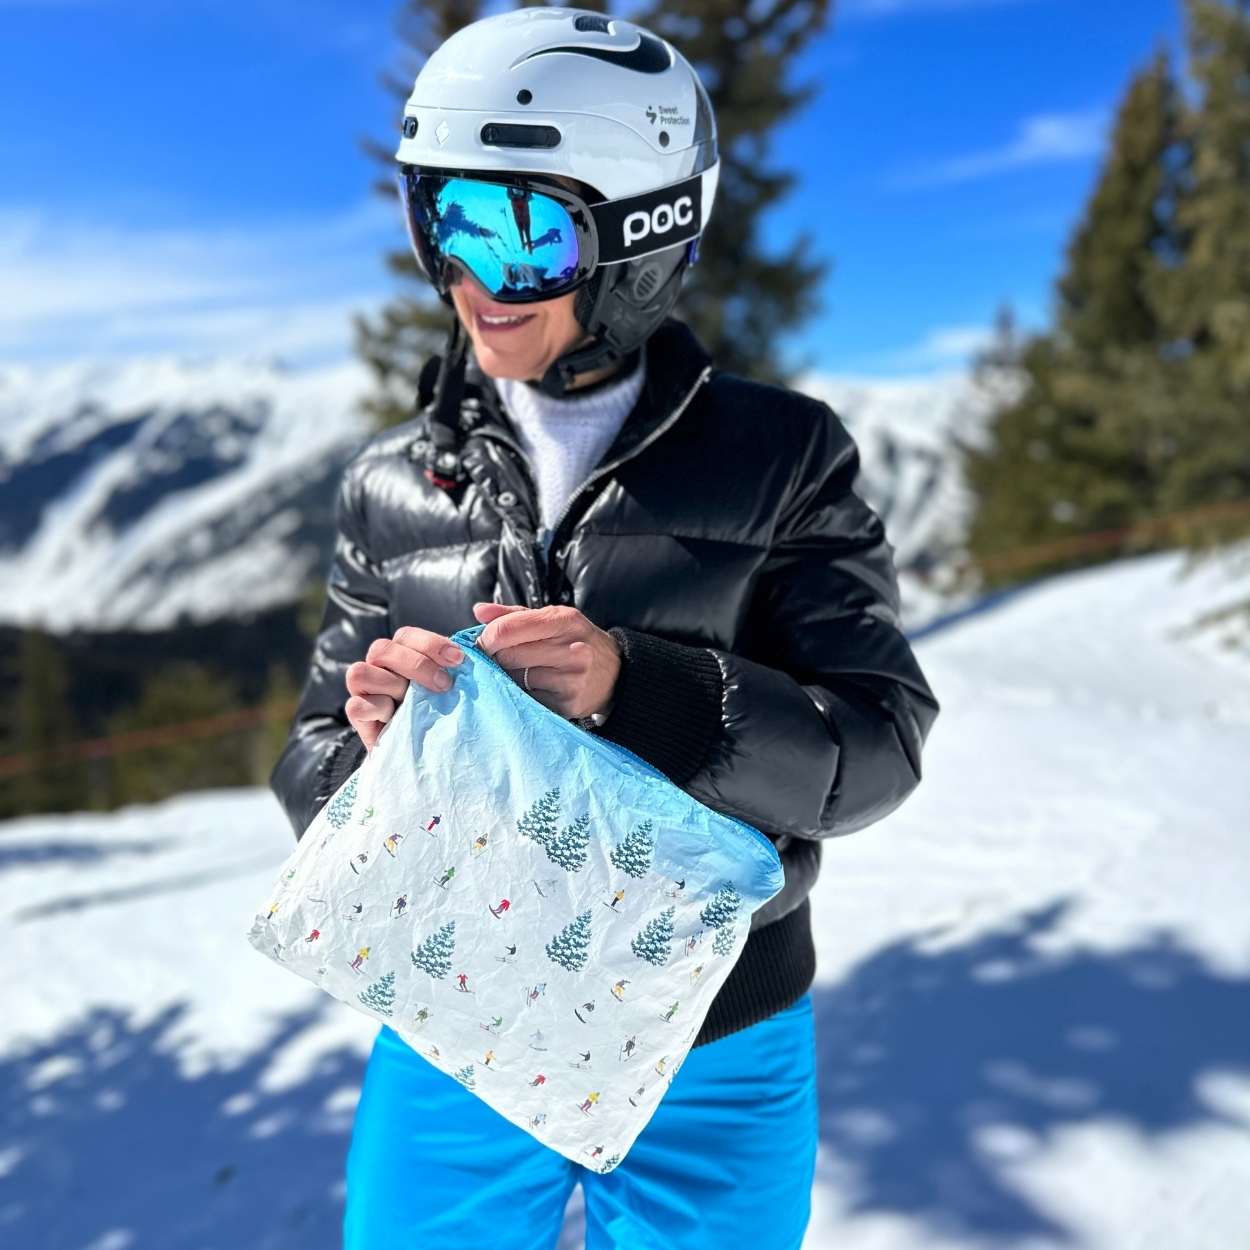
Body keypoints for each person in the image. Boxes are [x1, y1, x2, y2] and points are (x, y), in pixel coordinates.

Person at [268, 10, 940, 1249]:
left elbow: (876, 744)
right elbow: (308, 751)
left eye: (521, 233)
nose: (469, 279)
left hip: (715, 1030)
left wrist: (644, 690)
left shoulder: (780, 457)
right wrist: (379, 763)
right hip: (454, 1009)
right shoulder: (393, 482)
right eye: (440, 218)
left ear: (642, 240)